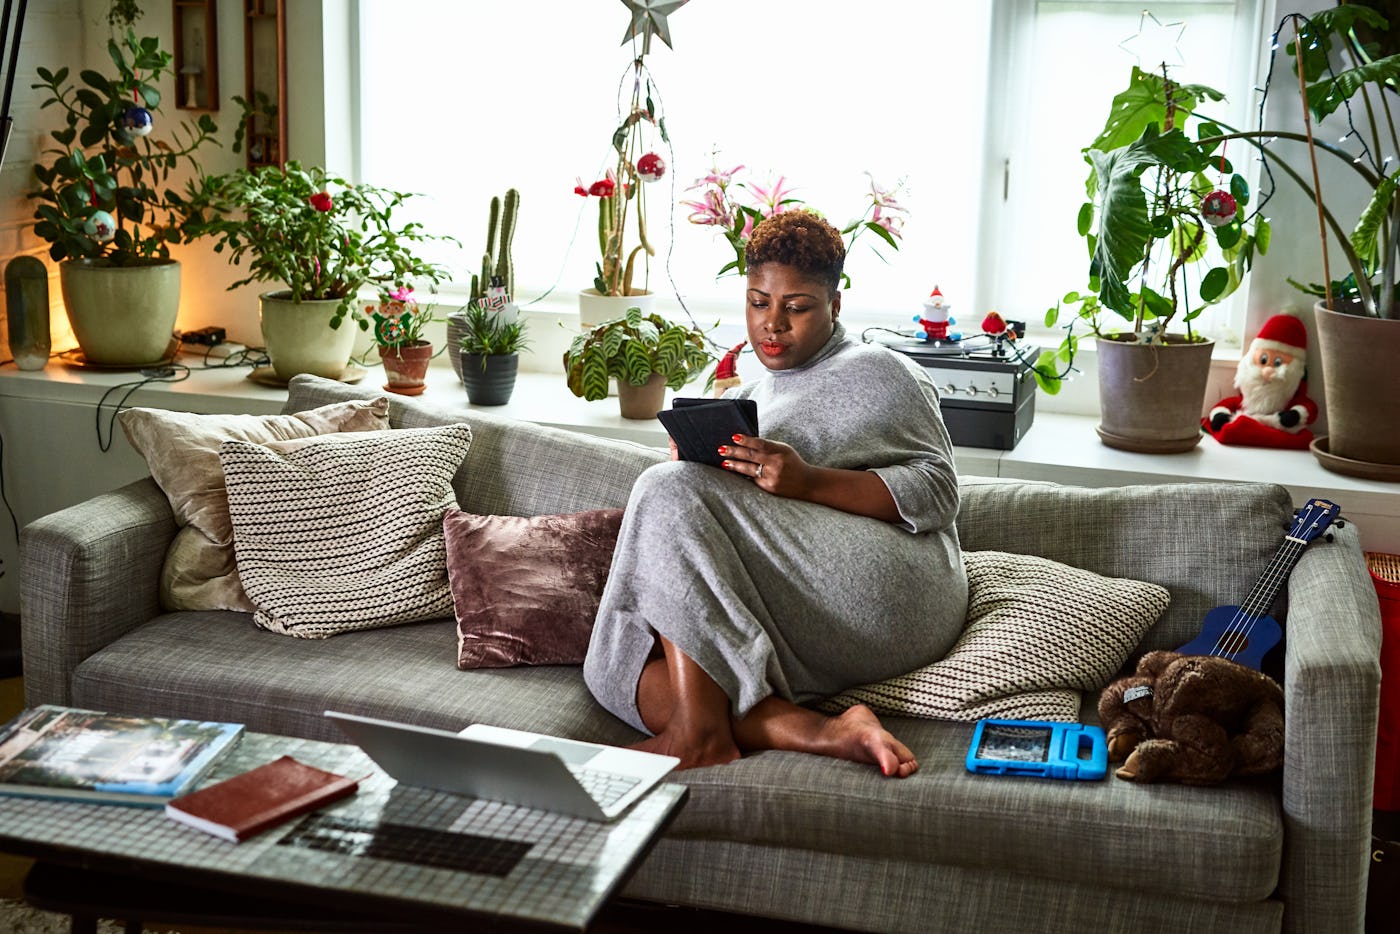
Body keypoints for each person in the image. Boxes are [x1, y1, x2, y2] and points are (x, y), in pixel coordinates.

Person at [583, 209, 967, 777]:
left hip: (898, 590)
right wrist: (708, 475)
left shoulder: (881, 370)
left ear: (835, 306)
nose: (773, 324)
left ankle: (697, 733)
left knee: (665, 490)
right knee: (618, 673)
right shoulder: (751, 391)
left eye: (797, 307)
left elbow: (938, 493)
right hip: (804, 586)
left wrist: (807, 479)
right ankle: (825, 731)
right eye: (758, 302)